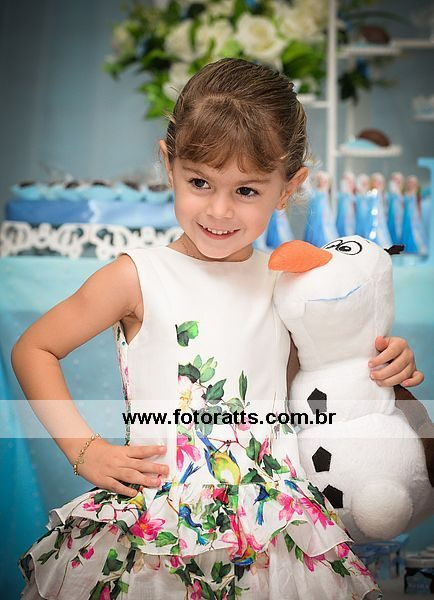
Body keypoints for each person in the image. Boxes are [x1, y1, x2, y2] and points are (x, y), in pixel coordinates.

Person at [12, 58, 424, 600]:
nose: (220, 210)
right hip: (160, 526)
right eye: (200, 182)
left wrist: (384, 364)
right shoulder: (137, 276)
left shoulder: (289, 286)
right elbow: (35, 347)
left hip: (271, 530)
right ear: (170, 164)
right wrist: (83, 449)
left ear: (288, 187)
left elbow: (318, 381)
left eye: (247, 191)